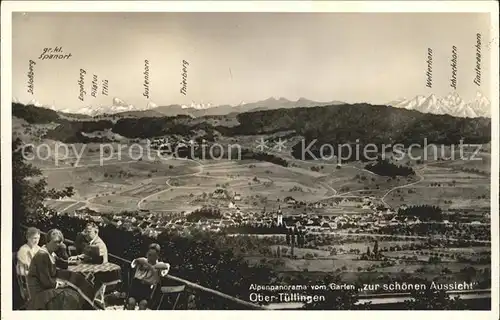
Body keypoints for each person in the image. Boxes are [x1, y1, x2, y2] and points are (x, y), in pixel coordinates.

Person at [26, 229, 84, 310]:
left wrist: (73, 260)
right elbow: (46, 281)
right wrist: (61, 284)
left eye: (60, 242)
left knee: (74, 289)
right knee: (71, 295)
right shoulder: (42, 255)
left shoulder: (51, 253)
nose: (59, 244)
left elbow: (62, 264)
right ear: (48, 241)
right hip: (39, 293)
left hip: (47, 287)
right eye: (56, 242)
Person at [127, 243, 170, 310]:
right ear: (147, 253)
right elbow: (135, 262)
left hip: (146, 288)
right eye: (149, 255)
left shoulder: (159, 265)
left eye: (153, 255)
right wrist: (148, 264)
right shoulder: (142, 260)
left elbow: (165, 267)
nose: (150, 257)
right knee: (131, 302)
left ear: (157, 256)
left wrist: (153, 267)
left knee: (143, 304)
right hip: (136, 285)